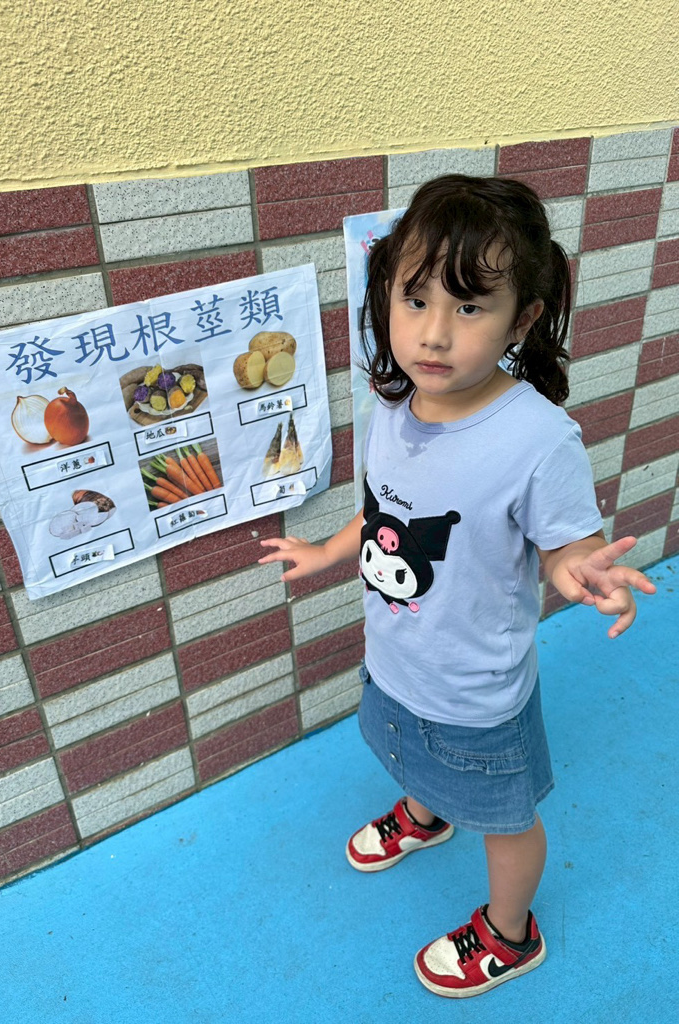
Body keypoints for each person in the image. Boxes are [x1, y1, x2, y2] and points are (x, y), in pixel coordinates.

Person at [259, 174, 656, 999]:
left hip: (477, 695)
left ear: (524, 319)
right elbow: (384, 513)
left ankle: (511, 934)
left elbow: (567, 545)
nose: (434, 334)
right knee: (404, 750)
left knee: (506, 820)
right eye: (415, 300)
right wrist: (328, 550)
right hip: (394, 659)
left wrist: (584, 571)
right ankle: (425, 812)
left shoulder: (538, 439)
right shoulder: (394, 404)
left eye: (470, 307)